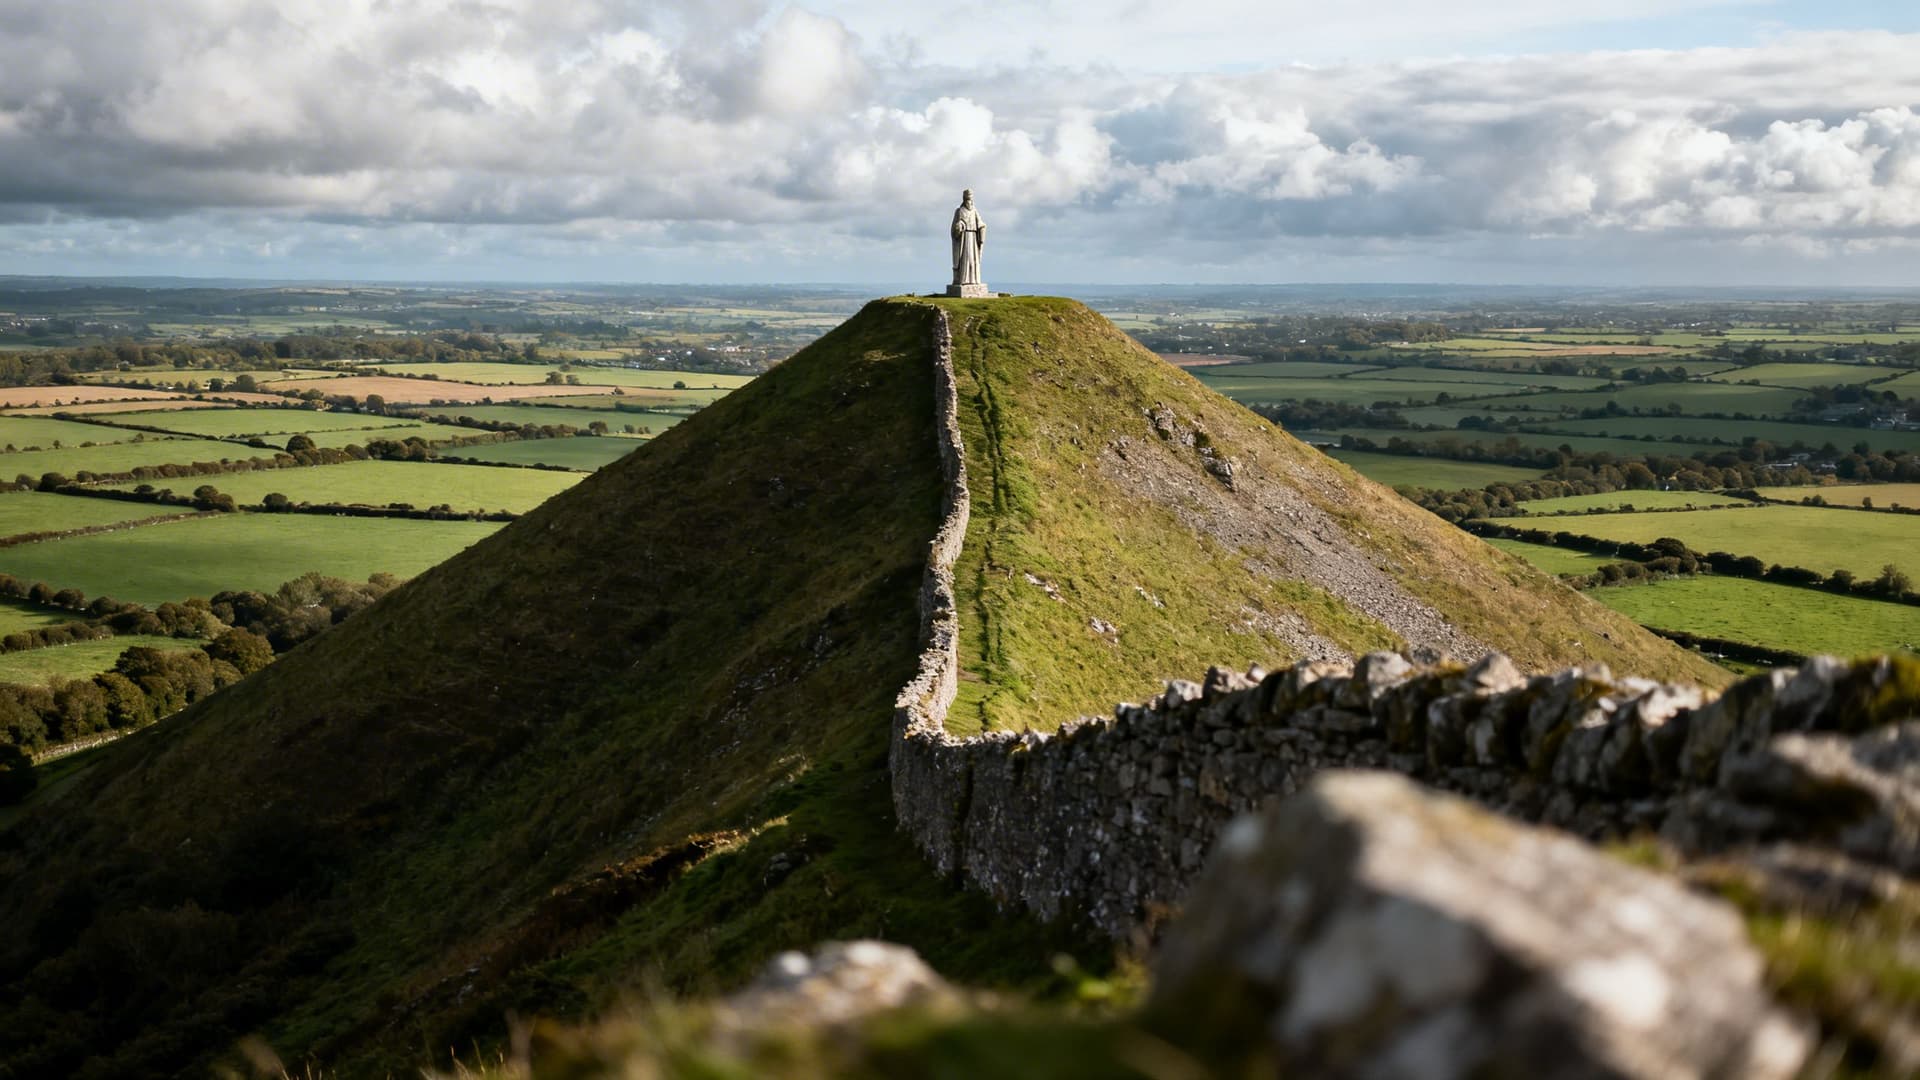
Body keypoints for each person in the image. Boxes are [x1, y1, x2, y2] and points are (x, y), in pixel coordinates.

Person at [951, 189, 985, 287]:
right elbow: (954, 228)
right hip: (964, 239)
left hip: (974, 237)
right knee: (965, 258)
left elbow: (980, 222)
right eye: (967, 198)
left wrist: (982, 227)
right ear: (964, 198)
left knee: (973, 260)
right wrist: (959, 226)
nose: (969, 201)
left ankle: (974, 280)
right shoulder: (959, 211)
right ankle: (964, 279)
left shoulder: (974, 211)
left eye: (970, 198)